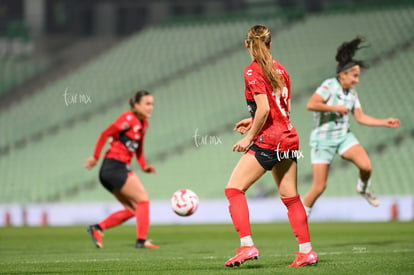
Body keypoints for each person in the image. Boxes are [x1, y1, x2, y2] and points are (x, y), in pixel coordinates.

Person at [224, 25, 317, 268]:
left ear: (247, 44)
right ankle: (306, 252)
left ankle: (247, 246)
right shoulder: (281, 69)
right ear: (270, 44)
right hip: (289, 136)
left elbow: (265, 108)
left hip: (270, 140)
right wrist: (253, 120)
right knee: (291, 198)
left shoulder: (252, 71)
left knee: (234, 190)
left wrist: (249, 137)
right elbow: (281, 109)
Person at [302, 37, 401, 217]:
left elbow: (360, 117)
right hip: (323, 141)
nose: (357, 80)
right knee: (319, 187)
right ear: (343, 75)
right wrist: (334, 107)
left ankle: (363, 189)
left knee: (366, 166)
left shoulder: (352, 93)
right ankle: (300, 216)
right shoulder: (329, 86)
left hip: (343, 137)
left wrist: (384, 122)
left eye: (358, 76)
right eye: (354, 76)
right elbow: (311, 104)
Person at [83, 90, 159, 249]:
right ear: (136, 105)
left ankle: (97, 228)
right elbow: (105, 134)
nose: (151, 107)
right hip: (114, 166)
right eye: (147, 104)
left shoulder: (144, 124)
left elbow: (139, 149)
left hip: (111, 171)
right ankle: (141, 241)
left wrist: (144, 166)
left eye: (152, 104)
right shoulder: (128, 119)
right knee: (143, 199)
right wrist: (95, 157)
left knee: (133, 210)